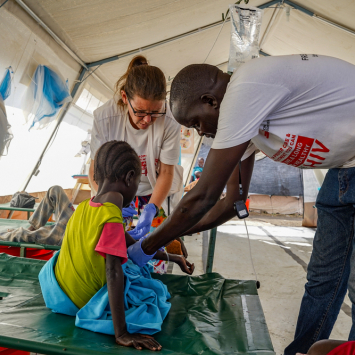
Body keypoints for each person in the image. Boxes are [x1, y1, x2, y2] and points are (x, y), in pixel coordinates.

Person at [126, 55, 355, 355]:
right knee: (323, 279)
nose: (201, 133)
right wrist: (174, 233)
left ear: (211, 100)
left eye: (196, 122)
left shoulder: (245, 88)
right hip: (342, 175)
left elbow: (205, 194)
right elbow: (232, 203)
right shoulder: (248, 118)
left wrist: (143, 246)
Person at [40, 140, 194, 351]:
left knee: (132, 267)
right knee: (152, 295)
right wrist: (121, 333)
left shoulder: (85, 207)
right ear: (129, 177)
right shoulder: (111, 214)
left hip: (59, 294)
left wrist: (172, 257)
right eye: (138, 183)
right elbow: (113, 271)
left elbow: (131, 244)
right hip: (83, 301)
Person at [89, 55, 186, 256]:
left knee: (151, 250)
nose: (148, 120)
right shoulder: (105, 117)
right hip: (113, 191)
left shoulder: (169, 119)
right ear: (125, 98)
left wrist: (151, 209)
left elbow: (166, 172)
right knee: (111, 249)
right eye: (140, 112)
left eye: (155, 111)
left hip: (154, 190)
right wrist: (108, 203)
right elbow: (95, 170)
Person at [0, 185, 74, 245]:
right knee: (55, 189)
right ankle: (33, 227)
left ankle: (6, 235)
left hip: (72, 232)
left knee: (22, 234)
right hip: (76, 219)